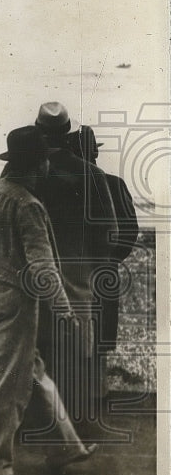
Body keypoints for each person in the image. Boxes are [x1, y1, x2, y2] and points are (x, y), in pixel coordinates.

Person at [0, 126, 97, 475]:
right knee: (8, 384)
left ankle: (65, 446)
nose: (46, 169)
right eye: (43, 161)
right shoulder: (27, 204)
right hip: (16, 301)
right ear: (33, 163)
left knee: (33, 373)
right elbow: (42, 267)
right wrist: (65, 310)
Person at [34, 102, 117, 429]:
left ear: (38, 131)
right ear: (68, 133)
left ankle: (37, 421)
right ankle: (73, 425)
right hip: (79, 278)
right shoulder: (93, 174)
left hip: (34, 278)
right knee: (76, 354)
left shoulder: (29, 171)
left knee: (37, 352)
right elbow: (108, 233)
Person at [66, 124, 139, 395]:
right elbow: (129, 232)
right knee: (98, 341)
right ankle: (97, 395)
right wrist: (109, 259)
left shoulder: (63, 185)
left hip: (71, 273)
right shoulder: (114, 184)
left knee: (71, 336)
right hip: (104, 274)